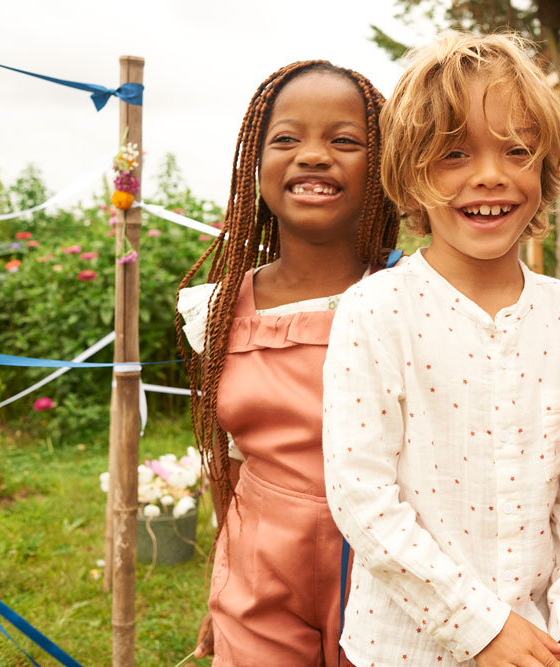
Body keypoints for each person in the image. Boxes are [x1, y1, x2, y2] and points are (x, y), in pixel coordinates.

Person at [322, 32, 560, 667]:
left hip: (546, 646)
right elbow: (362, 496)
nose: (491, 176)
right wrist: (479, 625)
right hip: (403, 649)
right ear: (410, 171)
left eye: (517, 150)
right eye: (454, 154)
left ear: (546, 166)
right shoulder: (374, 311)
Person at [175, 60, 400, 666]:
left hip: (392, 572)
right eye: (286, 139)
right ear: (257, 161)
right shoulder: (219, 310)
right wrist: (224, 585)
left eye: (345, 141)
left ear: (383, 166)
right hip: (261, 579)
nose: (313, 156)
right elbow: (226, 461)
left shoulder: (411, 298)